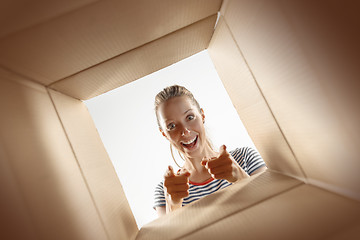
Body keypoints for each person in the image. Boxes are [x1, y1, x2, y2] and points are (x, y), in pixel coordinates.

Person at [153, 85, 267, 217]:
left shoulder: (245, 158)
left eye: (190, 117)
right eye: (171, 126)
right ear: (164, 134)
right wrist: (173, 205)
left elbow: (276, 208)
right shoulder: (164, 192)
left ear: (202, 115)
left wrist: (241, 178)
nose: (185, 131)